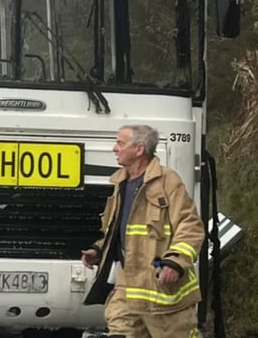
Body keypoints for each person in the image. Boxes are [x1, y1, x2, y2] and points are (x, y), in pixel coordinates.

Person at [81, 125, 205, 337]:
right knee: (119, 328)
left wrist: (175, 262)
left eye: (120, 143)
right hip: (127, 288)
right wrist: (100, 250)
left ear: (139, 149)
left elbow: (190, 226)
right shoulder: (121, 183)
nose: (114, 148)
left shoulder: (168, 181)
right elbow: (123, 231)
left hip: (163, 293)